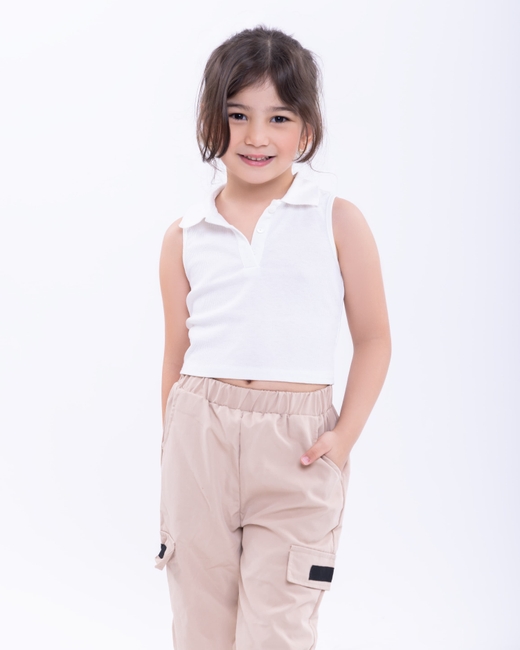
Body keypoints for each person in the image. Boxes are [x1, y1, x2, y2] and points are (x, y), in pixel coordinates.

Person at [156, 25, 391, 650]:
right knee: (201, 626)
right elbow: (176, 350)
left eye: (278, 117)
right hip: (199, 437)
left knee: (277, 629)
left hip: (298, 446)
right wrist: (173, 442)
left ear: (306, 130)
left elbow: (374, 337)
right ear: (211, 120)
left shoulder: (337, 219)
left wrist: (343, 439)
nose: (256, 136)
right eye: (238, 115)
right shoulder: (185, 234)